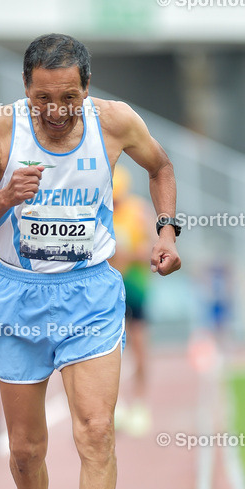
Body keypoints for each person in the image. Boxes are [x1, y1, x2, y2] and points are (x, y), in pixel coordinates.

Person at [0, 34, 180, 489]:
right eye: (41, 99)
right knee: (26, 449)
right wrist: (5, 197)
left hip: (90, 294)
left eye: (67, 98)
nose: (55, 111)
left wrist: (167, 231)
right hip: (17, 297)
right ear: (25, 90)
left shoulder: (116, 122)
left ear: (87, 88)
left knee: (95, 432)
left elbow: (162, 167)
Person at [108, 165, 155, 436]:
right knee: (110, 350)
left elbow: (152, 247)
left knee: (139, 347)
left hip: (135, 288)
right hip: (107, 290)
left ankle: (139, 404)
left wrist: (129, 255)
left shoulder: (138, 210)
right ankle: (115, 406)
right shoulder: (99, 213)